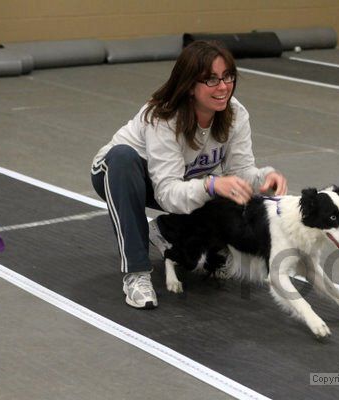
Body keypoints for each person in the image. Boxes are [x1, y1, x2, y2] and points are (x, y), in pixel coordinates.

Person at [91, 40, 287, 309]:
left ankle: (167, 230)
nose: (223, 87)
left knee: (228, 187)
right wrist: (211, 185)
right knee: (124, 158)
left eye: (228, 76)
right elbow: (167, 193)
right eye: (211, 80)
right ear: (190, 85)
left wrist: (264, 178)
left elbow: (240, 171)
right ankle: (136, 273)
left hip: (176, 181)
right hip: (118, 174)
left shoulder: (235, 114)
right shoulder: (162, 117)